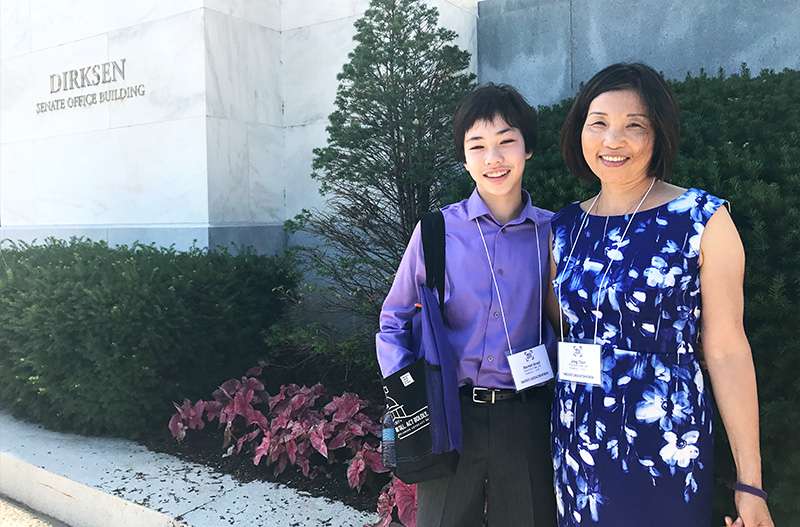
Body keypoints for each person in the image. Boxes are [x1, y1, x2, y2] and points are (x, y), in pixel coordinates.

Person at [546, 62, 774, 527]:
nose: (613, 140)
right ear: (579, 131)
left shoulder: (702, 219)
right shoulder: (565, 226)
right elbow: (561, 323)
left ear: (659, 136)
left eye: (634, 126)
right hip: (576, 441)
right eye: (599, 123)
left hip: (665, 441)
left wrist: (750, 484)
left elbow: (728, 350)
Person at [376, 83, 557, 527]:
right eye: (477, 146)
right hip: (451, 416)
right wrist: (409, 394)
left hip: (526, 413)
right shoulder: (436, 232)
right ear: (464, 157)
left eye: (505, 142)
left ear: (528, 149)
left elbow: (571, 323)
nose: (493, 158)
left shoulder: (555, 233)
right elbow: (393, 319)